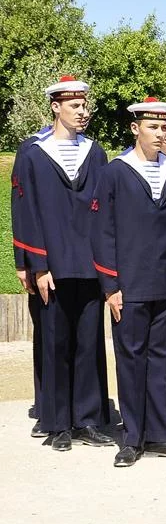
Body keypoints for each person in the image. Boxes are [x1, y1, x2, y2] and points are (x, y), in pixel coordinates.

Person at [91, 96, 166, 467]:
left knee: (163, 359)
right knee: (132, 360)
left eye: (163, 127)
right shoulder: (115, 172)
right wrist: (110, 286)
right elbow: (102, 231)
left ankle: (159, 434)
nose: (159, 133)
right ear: (135, 128)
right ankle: (132, 438)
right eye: (152, 127)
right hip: (130, 285)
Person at [17, 76, 113, 452]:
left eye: (85, 105)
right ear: (56, 107)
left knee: (89, 343)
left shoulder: (95, 152)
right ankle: (57, 423)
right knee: (55, 342)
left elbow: (104, 211)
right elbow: (25, 210)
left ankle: (87, 419)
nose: (83, 112)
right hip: (52, 264)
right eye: (75, 106)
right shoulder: (32, 152)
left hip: (89, 264)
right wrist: (35, 264)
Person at [12, 121, 54, 439]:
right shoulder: (32, 148)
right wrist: (22, 261)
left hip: (77, 262)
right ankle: (45, 406)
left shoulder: (87, 150)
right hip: (41, 259)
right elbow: (21, 208)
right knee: (47, 337)